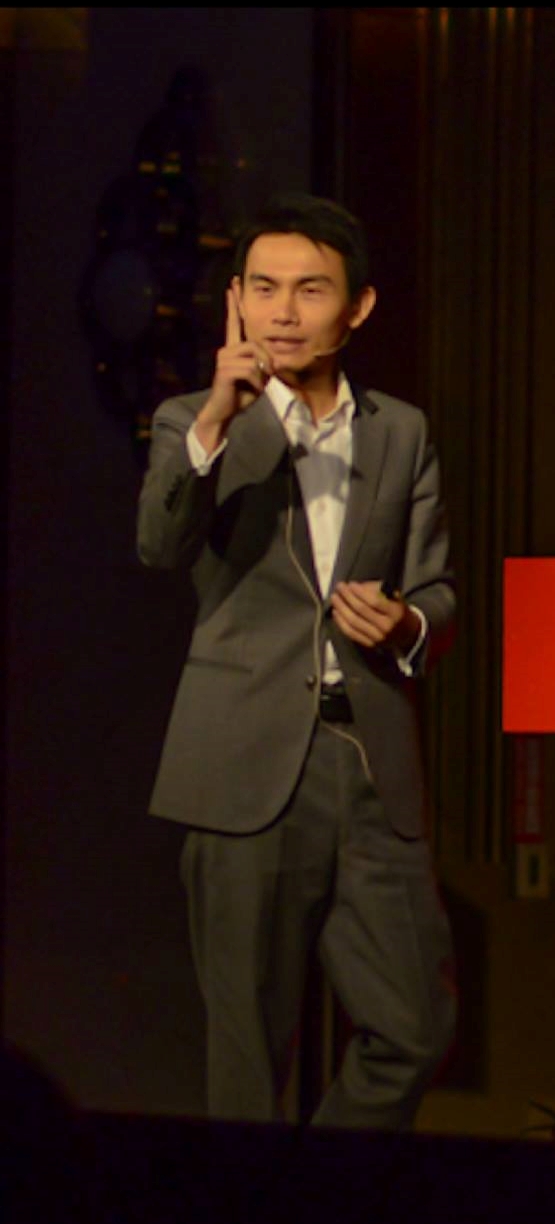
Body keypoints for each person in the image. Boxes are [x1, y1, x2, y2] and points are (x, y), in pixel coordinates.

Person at [138, 194, 457, 1129]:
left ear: (357, 307)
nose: (282, 312)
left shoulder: (399, 431)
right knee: (248, 1049)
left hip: (366, 762)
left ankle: (316, 1197)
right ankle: (257, 1220)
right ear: (236, 299)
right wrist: (220, 420)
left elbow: (437, 590)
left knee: (417, 1025)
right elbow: (160, 544)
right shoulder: (193, 422)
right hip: (242, 762)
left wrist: (406, 622)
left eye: (310, 290)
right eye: (264, 288)